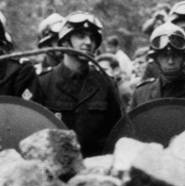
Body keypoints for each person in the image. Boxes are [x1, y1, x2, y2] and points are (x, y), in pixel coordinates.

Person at [30, 11, 123, 156]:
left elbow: (118, 133)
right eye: (81, 36)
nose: (88, 42)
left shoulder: (106, 83)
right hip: (55, 169)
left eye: (92, 38)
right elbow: (31, 133)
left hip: (96, 170)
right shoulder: (43, 83)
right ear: (66, 42)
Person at [130, 24, 185, 110]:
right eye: (164, 56)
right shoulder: (141, 93)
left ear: (184, 58)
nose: (170, 61)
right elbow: (131, 122)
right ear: (156, 59)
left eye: (176, 55)